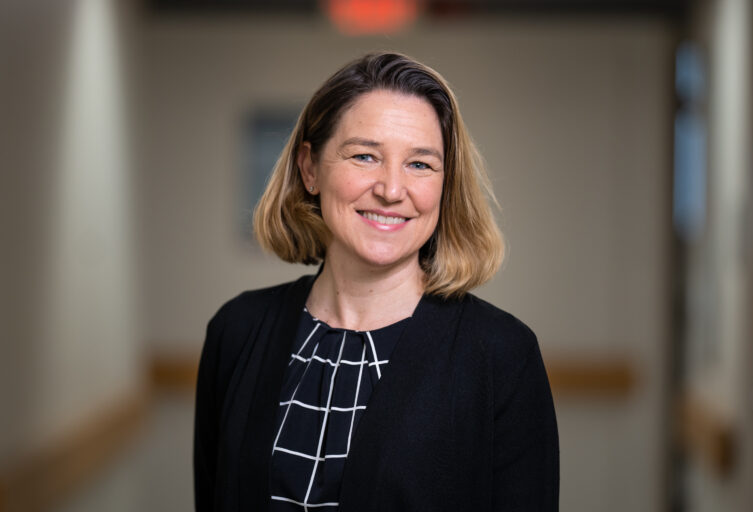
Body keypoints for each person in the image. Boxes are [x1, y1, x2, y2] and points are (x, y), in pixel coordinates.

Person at [194, 52, 558, 512]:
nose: (390, 189)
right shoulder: (238, 330)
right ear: (310, 168)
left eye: (420, 164)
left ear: (444, 187)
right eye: (365, 156)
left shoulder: (502, 355)